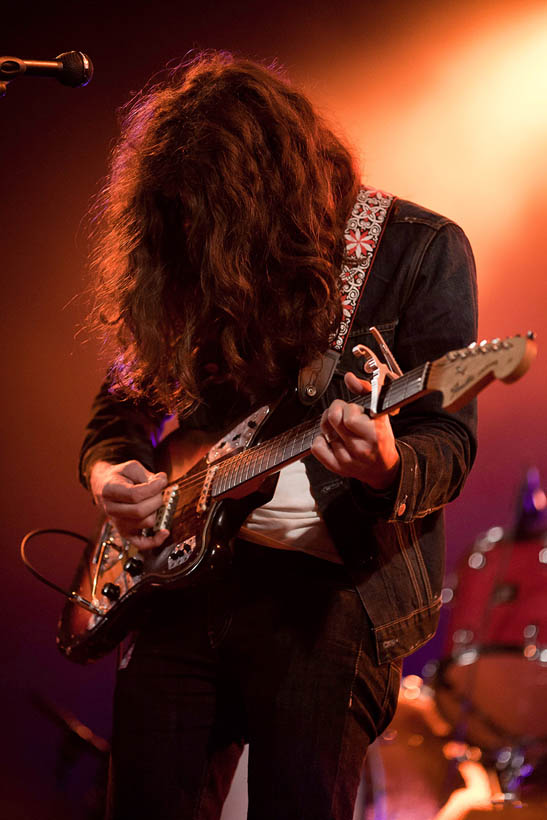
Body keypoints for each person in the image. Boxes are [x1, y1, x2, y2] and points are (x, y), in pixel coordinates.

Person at [80, 51, 478, 819]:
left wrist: (386, 466)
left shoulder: (415, 249)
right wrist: (110, 478)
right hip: (185, 586)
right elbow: (119, 412)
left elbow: (447, 444)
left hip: (329, 591)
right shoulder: (195, 252)